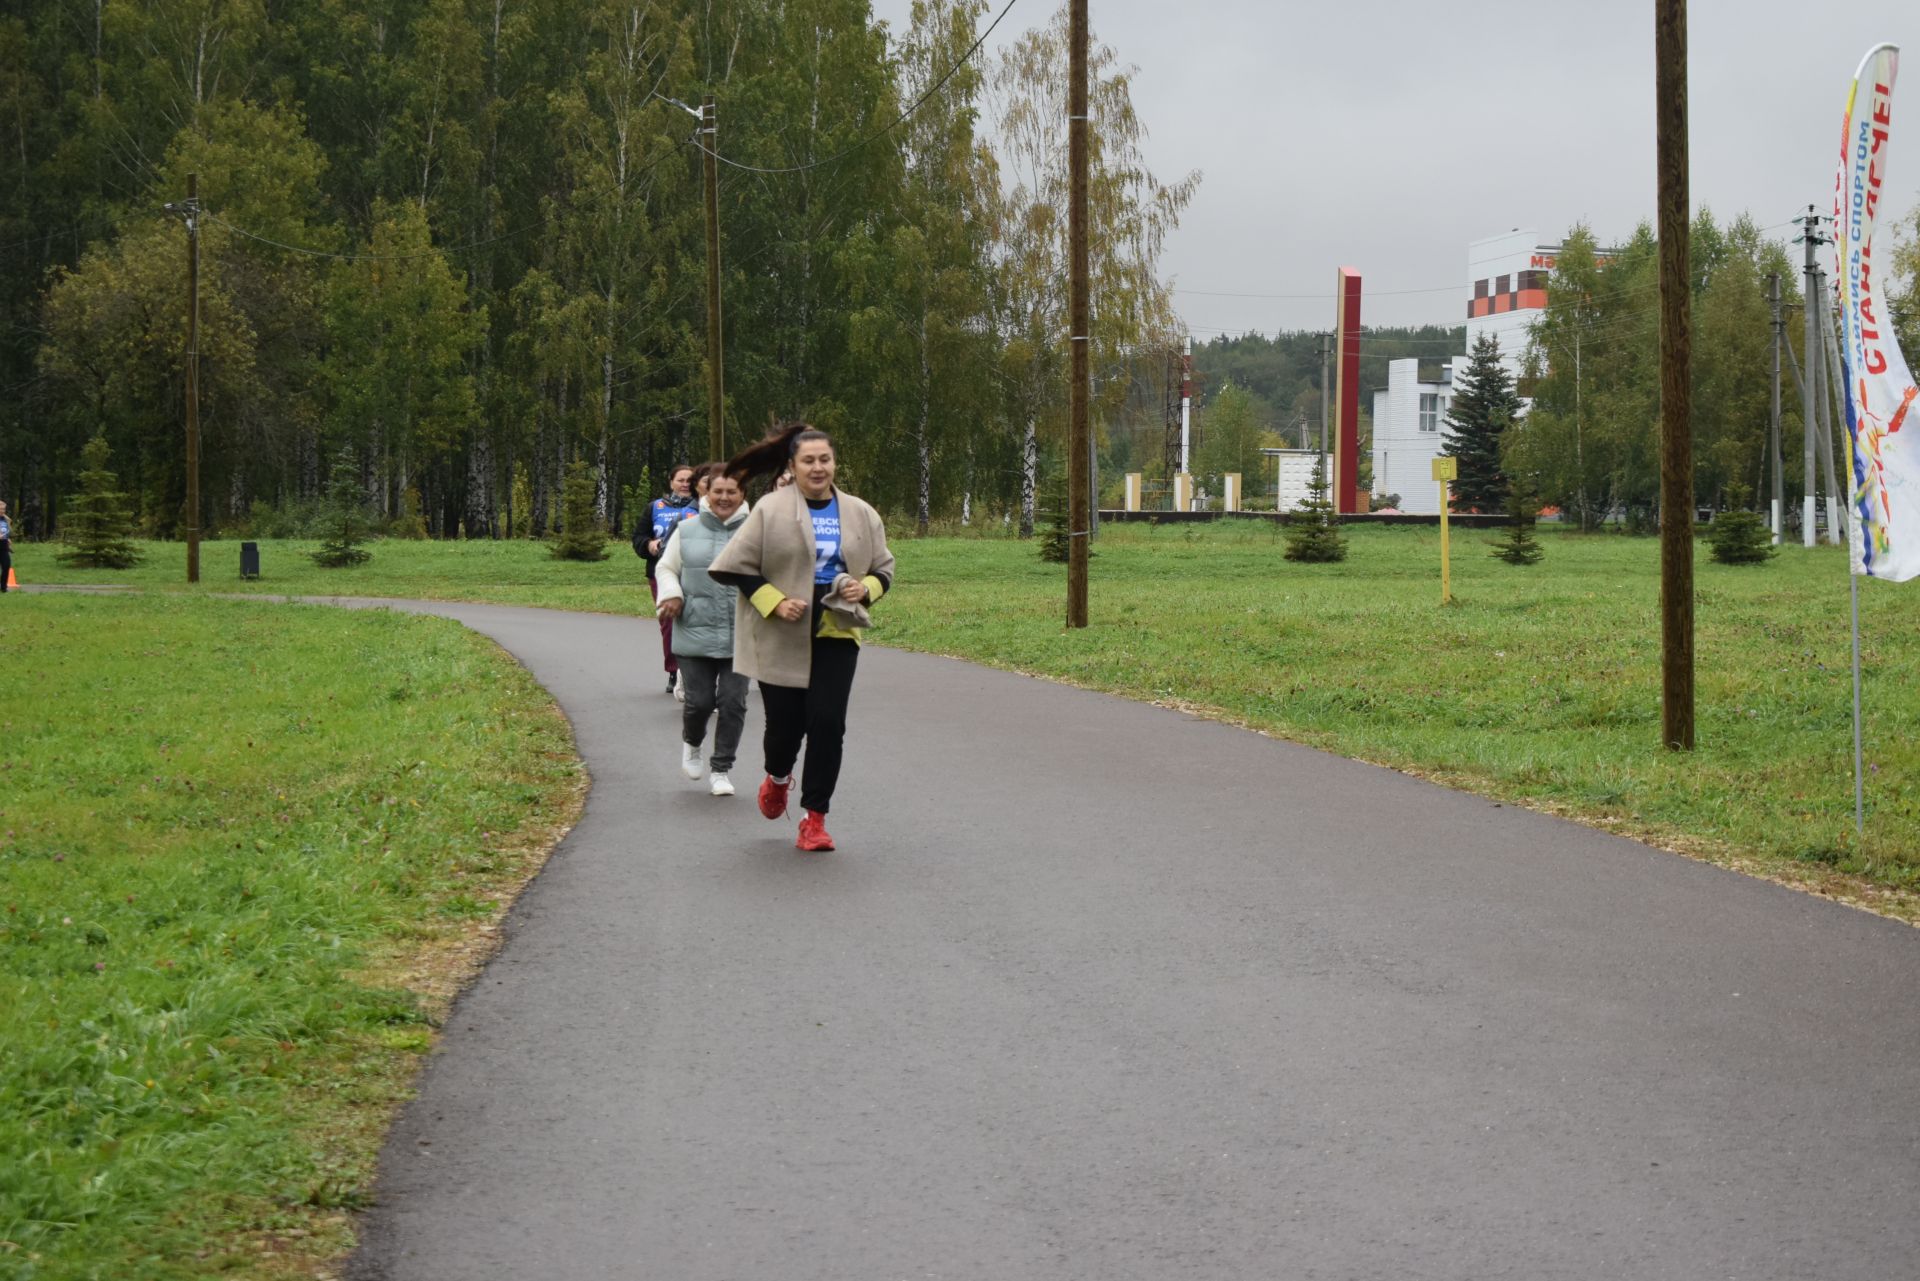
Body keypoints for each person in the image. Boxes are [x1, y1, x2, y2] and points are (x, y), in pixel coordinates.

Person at [709, 424, 894, 852]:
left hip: (836, 626)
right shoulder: (770, 509)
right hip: (782, 628)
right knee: (785, 729)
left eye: (824, 459)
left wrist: (865, 588)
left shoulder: (860, 512)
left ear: (834, 463)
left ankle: (815, 818)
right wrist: (774, 600)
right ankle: (776, 777)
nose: (818, 467)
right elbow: (735, 566)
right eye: (808, 460)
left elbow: (885, 569)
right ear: (792, 466)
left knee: (828, 724)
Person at [653, 472, 752, 797]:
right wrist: (671, 594)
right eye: (717, 491)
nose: (724, 497)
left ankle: (721, 769)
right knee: (699, 702)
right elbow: (666, 568)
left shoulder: (756, 532)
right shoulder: (686, 529)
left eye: (731, 491)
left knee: (733, 703)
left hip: (741, 633)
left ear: (742, 494)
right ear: (706, 494)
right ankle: (692, 743)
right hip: (694, 629)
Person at [634, 465, 699, 698]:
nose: (685, 484)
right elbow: (638, 537)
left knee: (695, 620)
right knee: (669, 623)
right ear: (671, 482)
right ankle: (674, 670)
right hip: (661, 572)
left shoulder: (703, 508)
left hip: (695, 572)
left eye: (690, 481)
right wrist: (649, 545)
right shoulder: (655, 507)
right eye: (680, 480)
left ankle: (697, 673)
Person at [0, 500, 11, 592]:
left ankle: (3, 587)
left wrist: (8, 538)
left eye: (3, 509)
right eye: (0, 509)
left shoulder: (5, 519)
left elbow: (7, 531)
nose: (2, 511)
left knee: (6, 565)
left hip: (3, 546)